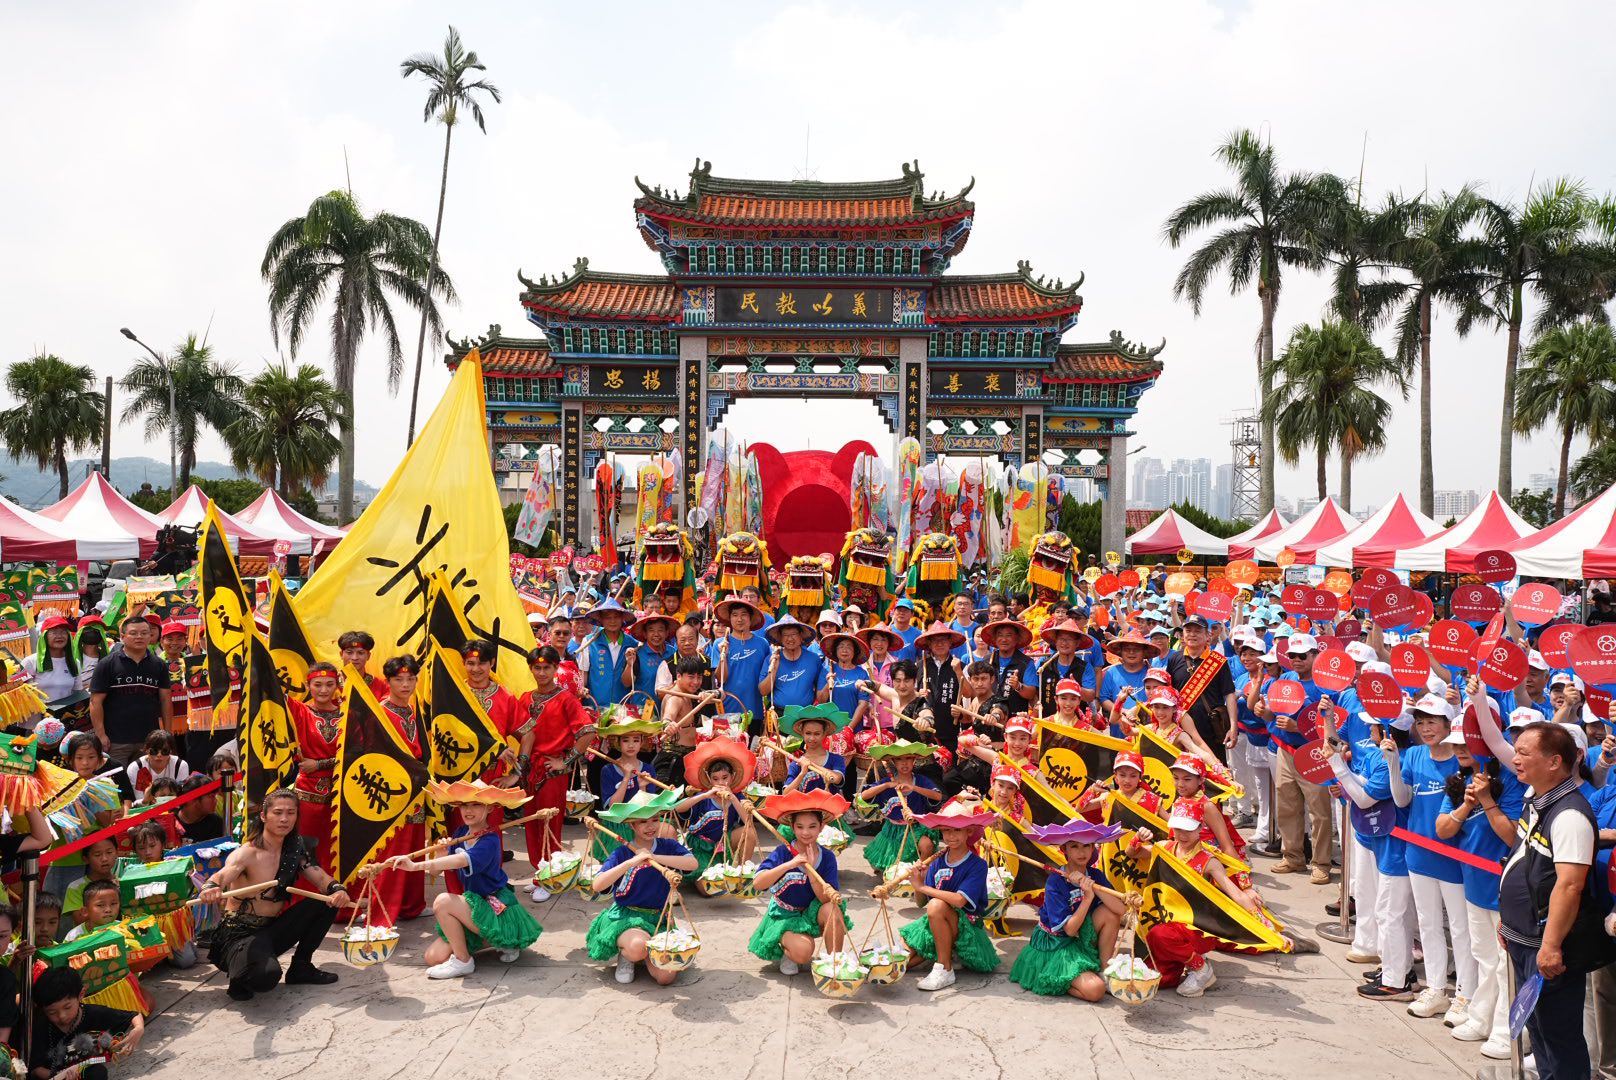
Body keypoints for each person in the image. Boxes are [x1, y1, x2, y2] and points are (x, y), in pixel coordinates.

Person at [1500, 722, 1611, 1080]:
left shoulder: (1570, 814)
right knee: (1540, 1032)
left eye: (1524, 753)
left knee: (1559, 1039)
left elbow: (1569, 886)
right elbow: (1522, 862)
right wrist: (1509, 921)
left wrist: (1549, 946)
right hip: (1524, 937)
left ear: (1554, 762)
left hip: (1546, 947)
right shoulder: (1536, 800)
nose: (1515, 759)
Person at [195, 788, 351, 1000]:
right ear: (263, 816)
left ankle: (301, 967)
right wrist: (210, 887)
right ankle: (240, 974)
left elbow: (319, 877)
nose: (284, 819)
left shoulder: (295, 848)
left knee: (325, 903)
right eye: (278, 813)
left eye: (290, 813)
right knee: (266, 977)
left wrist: (337, 889)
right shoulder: (247, 853)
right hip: (239, 936)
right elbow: (222, 875)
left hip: (271, 929)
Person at [389, 780, 542, 979]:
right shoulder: (461, 833)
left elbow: (461, 860)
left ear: (489, 808)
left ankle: (465, 960)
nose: (468, 811)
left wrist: (415, 865)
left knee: (443, 901)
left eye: (476, 805)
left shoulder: (490, 839)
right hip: (472, 905)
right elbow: (435, 872)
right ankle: (499, 940)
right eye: (464, 805)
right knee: (433, 957)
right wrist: (442, 853)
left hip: (495, 905)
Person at [1384, 693, 1475, 1023]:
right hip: (1418, 853)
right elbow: (1402, 800)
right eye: (1420, 722)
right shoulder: (1414, 754)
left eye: (1432, 721)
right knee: (1428, 923)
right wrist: (1393, 763)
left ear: (1448, 724)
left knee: (1460, 928)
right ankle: (1436, 988)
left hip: (1453, 857)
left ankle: (1465, 993)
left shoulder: (1461, 761)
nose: (1425, 728)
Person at [1008, 818, 1131, 999]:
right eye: (1074, 846)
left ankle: (1104, 970)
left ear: (1093, 848)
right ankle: (1059, 979)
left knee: (1110, 913)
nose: (1082, 852)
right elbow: (1070, 930)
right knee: (1095, 991)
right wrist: (1087, 898)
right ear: (1064, 849)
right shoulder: (1055, 881)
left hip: (1081, 933)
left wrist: (1093, 886)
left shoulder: (1095, 874)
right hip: (1057, 943)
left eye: (1086, 845)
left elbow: (1120, 910)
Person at [585, 789, 698, 986]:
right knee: (637, 946)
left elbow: (692, 864)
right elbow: (598, 884)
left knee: (665, 978)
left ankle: (646, 956)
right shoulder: (622, 853)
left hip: (658, 917)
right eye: (643, 821)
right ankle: (628, 955)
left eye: (654, 820)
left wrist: (654, 857)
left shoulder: (668, 846)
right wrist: (632, 862)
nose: (650, 826)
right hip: (627, 916)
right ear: (632, 825)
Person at [1252, 632, 1335, 884]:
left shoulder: (1325, 685)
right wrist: (1264, 711)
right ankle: (1293, 856)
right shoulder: (1285, 679)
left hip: (1314, 754)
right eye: (1292, 655)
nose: (1296, 660)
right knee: (1287, 806)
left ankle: (1321, 863)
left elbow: (1333, 726)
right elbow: (1271, 715)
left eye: (1302, 655)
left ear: (1315, 655)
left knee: (1319, 812)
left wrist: (1298, 727)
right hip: (1285, 752)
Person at [514, 645, 595, 899]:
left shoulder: (566, 699)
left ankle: (551, 879)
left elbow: (587, 731)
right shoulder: (525, 698)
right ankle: (540, 874)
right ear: (531, 669)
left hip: (552, 772)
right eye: (536, 668)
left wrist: (566, 762)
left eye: (546, 667)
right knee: (531, 823)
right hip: (530, 771)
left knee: (550, 825)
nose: (541, 673)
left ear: (555, 668)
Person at [897, 797, 1001, 990]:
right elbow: (921, 902)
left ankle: (945, 968)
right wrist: (918, 881)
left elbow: (960, 901)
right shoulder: (937, 862)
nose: (951, 836)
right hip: (937, 922)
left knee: (937, 904)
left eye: (957, 830)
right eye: (946, 830)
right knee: (902, 962)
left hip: (965, 928)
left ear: (969, 831)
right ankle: (944, 952)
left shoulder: (977, 864)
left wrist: (923, 888)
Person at [748, 790, 853, 974]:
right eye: (800, 827)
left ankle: (834, 963)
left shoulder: (827, 857)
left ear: (821, 827)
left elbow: (826, 899)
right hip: (785, 914)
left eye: (812, 826)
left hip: (812, 912)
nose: (806, 832)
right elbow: (758, 883)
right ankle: (788, 950)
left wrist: (811, 872)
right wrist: (790, 864)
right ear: (793, 827)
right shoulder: (783, 852)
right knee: (803, 953)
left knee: (833, 909)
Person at [368, 655, 426, 920]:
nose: (405, 685)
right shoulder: (380, 713)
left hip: (417, 789)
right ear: (388, 682)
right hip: (392, 791)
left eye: (410, 679)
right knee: (392, 850)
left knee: (414, 847)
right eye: (398, 679)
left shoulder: (414, 710)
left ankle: (412, 906)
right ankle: (382, 914)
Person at [29, 966, 144, 1080]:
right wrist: (60, 1076)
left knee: (97, 1073)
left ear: (81, 995)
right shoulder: (40, 1026)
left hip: (82, 1071)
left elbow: (134, 1015)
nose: (62, 1016)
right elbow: (36, 1069)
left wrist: (138, 1028)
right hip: (53, 1076)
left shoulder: (93, 1013)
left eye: (67, 1007)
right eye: (52, 1012)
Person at [88, 615, 173, 763]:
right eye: (133, 633)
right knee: (117, 776)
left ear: (150, 636)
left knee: (147, 776)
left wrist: (167, 733)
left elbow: (165, 700)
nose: (139, 637)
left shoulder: (159, 665)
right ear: (122, 636)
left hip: (149, 740)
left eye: (144, 633)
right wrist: (101, 735)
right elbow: (95, 702)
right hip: (116, 740)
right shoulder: (107, 664)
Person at [288, 662, 343, 871]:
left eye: (330, 684)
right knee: (306, 851)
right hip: (307, 794)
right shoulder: (299, 710)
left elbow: (354, 753)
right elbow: (271, 690)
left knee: (336, 851)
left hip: (340, 793)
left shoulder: (347, 714)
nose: (323, 690)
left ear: (337, 685)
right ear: (307, 685)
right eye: (317, 684)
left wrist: (319, 764)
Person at [674, 740, 757, 875]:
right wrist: (705, 795)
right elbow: (678, 808)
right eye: (715, 779)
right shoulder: (704, 796)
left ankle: (743, 873)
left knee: (750, 832)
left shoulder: (737, 796)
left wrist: (733, 798)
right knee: (704, 885)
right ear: (710, 780)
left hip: (722, 844)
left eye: (725, 777)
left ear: (732, 776)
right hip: (700, 847)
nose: (721, 782)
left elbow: (749, 823)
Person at [860, 743, 942, 874]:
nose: (904, 763)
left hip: (916, 826)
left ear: (914, 760)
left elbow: (938, 796)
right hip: (892, 828)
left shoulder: (921, 780)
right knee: (884, 867)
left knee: (926, 845)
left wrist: (913, 788)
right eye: (899, 759)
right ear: (893, 762)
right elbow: (864, 796)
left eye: (908, 758)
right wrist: (887, 785)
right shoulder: (887, 782)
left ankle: (921, 873)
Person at [707, 596, 771, 734]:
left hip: (754, 710)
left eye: (743, 615)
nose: (739, 619)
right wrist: (724, 655)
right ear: (730, 619)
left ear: (750, 618)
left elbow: (767, 677)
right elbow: (721, 679)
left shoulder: (763, 644)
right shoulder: (720, 644)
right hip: (727, 710)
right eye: (735, 615)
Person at [577, 597, 635, 708]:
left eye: (616, 617)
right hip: (594, 706)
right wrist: (580, 689)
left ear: (622, 619)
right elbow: (583, 673)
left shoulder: (633, 644)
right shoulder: (589, 642)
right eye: (608, 617)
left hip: (623, 707)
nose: (612, 621)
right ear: (601, 620)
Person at [759, 615, 823, 711]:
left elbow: (820, 687)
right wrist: (773, 670)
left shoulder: (813, 659)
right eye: (785, 635)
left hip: (806, 713)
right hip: (779, 713)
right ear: (780, 638)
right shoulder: (772, 659)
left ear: (800, 636)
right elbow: (763, 691)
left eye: (794, 634)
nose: (790, 639)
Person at [24, 613, 86, 702]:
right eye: (54, 632)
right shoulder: (30, 662)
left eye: (63, 632)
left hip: (67, 710)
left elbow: (77, 691)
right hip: (39, 710)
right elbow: (23, 694)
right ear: (44, 636)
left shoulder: (74, 662)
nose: (59, 636)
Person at [124, 729, 190, 800]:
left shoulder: (180, 765)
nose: (159, 755)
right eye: (154, 751)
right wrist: (145, 801)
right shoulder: (136, 768)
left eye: (165, 751)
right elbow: (138, 800)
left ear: (170, 751)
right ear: (147, 750)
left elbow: (182, 797)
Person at [337, 630, 388, 698]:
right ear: (341, 654)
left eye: (360, 653)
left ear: (368, 656)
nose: (355, 658)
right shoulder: (330, 683)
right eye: (349, 652)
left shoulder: (381, 686)